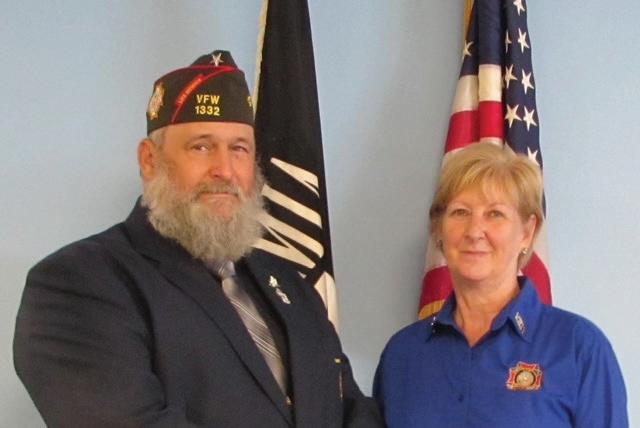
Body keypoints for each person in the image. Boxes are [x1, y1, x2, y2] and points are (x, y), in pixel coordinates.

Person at [14, 50, 382, 428]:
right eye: (201, 147)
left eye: (239, 149)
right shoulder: (80, 282)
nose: (224, 170)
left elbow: (352, 408)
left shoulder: (292, 285)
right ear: (149, 160)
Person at [373, 142, 628, 427]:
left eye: (495, 214)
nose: (474, 231)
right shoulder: (402, 354)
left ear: (527, 232)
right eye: (460, 212)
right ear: (439, 229)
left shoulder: (579, 347)